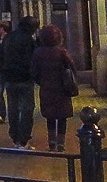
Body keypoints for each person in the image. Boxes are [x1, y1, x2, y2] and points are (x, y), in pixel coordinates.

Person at [31, 24, 77, 152]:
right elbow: (72, 67)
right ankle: (61, 142)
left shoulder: (38, 52)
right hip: (62, 88)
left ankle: (51, 142)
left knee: (50, 117)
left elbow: (34, 72)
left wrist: (42, 81)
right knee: (62, 117)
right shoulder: (62, 52)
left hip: (47, 88)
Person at [0, 15, 40, 149]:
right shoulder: (28, 40)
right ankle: (23, 139)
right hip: (24, 78)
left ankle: (15, 136)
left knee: (13, 108)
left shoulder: (8, 38)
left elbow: (0, 56)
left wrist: (2, 72)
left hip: (10, 78)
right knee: (27, 109)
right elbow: (32, 60)